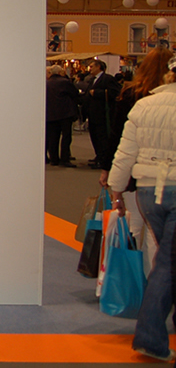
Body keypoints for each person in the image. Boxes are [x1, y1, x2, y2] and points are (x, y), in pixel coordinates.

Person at [106, 56, 176, 362]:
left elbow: (125, 153)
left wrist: (116, 189)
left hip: (148, 192)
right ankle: (150, 337)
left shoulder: (144, 106)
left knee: (169, 260)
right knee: (168, 263)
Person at [83, 59, 121, 170]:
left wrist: (98, 93)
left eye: (92, 66)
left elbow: (115, 93)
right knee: (94, 137)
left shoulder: (107, 79)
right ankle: (98, 156)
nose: (90, 69)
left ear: (99, 67)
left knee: (102, 137)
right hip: (92, 113)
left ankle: (104, 159)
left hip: (102, 114)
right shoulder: (92, 80)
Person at [46, 65, 79, 166]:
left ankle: (54, 159)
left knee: (53, 137)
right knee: (66, 137)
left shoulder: (47, 83)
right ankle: (64, 159)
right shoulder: (65, 82)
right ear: (60, 72)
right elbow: (75, 93)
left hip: (51, 114)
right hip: (65, 113)